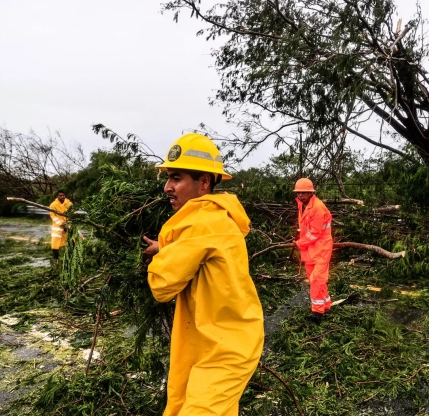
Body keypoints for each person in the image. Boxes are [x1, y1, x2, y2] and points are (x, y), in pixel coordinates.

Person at [142, 133, 264, 415]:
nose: (167, 187)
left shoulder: (200, 224)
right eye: (168, 178)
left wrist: (163, 253)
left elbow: (161, 286)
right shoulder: (215, 218)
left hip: (225, 351)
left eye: (176, 178)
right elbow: (200, 249)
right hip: (216, 341)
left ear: (205, 182)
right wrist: (170, 247)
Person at [293, 178, 333, 324]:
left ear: (311, 193)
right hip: (310, 249)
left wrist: (299, 243)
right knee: (314, 279)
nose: (301, 195)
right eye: (298, 193)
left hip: (321, 249)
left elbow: (314, 233)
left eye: (304, 192)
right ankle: (326, 304)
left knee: (316, 279)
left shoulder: (318, 208)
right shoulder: (301, 205)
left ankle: (317, 312)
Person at [49, 190, 72, 260]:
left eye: (63, 195)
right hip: (57, 225)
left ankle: (71, 256)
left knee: (72, 239)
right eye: (60, 195)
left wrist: (68, 223)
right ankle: (56, 257)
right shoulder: (53, 205)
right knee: (55, 241)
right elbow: (53, 216)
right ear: (57, 196)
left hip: (68, 223)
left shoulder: (69, 204)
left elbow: (72, 213)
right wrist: (61, 224)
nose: (62, 197)